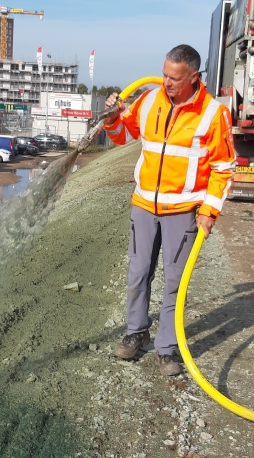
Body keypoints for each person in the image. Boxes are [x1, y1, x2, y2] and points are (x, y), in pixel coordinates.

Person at [103, 44, 235, 376]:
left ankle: (166, 348)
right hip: (144, 206)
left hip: (184, 211)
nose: (166, 83)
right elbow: (121, 136)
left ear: (193, 77)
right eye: (163, 74)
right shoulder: (149, 101)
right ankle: (136, 332)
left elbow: (224, 167)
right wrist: (112, 118)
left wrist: (210, 210)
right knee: (137, 274)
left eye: (174, 78)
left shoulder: (212, 114)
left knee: (175, 282)